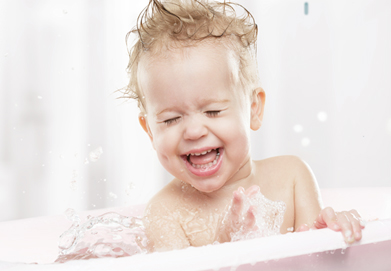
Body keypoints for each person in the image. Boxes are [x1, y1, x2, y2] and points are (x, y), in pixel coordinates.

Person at [121, 0, 364, 252]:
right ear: (149, 130)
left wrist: (335, 231)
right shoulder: (165, 214)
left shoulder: (292, 178)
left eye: (213, 111)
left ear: (253, 109)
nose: (193, 132)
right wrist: (226, 245)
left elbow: (318, 270)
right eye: (171, 119)